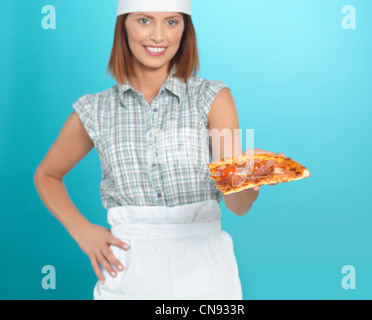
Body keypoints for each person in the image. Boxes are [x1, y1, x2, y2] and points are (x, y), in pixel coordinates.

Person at [33, 0, 284, 300]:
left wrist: (249, 176)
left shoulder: (213, 98)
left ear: (185, 28)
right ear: (123, 24)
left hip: (206, 274)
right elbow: (47, 175)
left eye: (171, 22)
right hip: (128, 274)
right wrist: (81, 230)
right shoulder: (95, 110)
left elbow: (238, 206)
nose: (158, 36)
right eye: (144, 21)